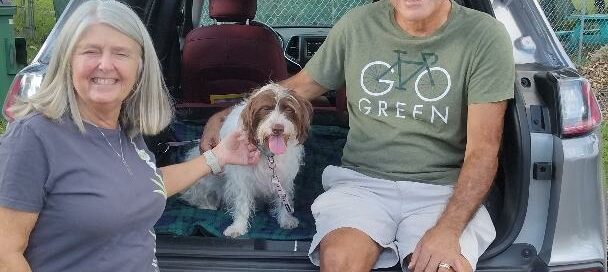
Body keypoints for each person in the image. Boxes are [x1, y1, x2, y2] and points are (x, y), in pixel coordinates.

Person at [201, 0, 515, 271]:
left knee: (442, 266)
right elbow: (297, 88)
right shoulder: (358, 25)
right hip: (362, 185)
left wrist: (448, 230)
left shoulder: (484, 36)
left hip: (440, 192)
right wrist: (227, 114)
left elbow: (483, 151)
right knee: (338, 260)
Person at [0, 1, 260, 271]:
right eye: (90, 51)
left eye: (121, 53)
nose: (105, 65)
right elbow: (6, 255)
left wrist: (218, 157)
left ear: (139, 68)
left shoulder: (124, 129)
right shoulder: (34, 137)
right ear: (67, 61)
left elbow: (144, 184)